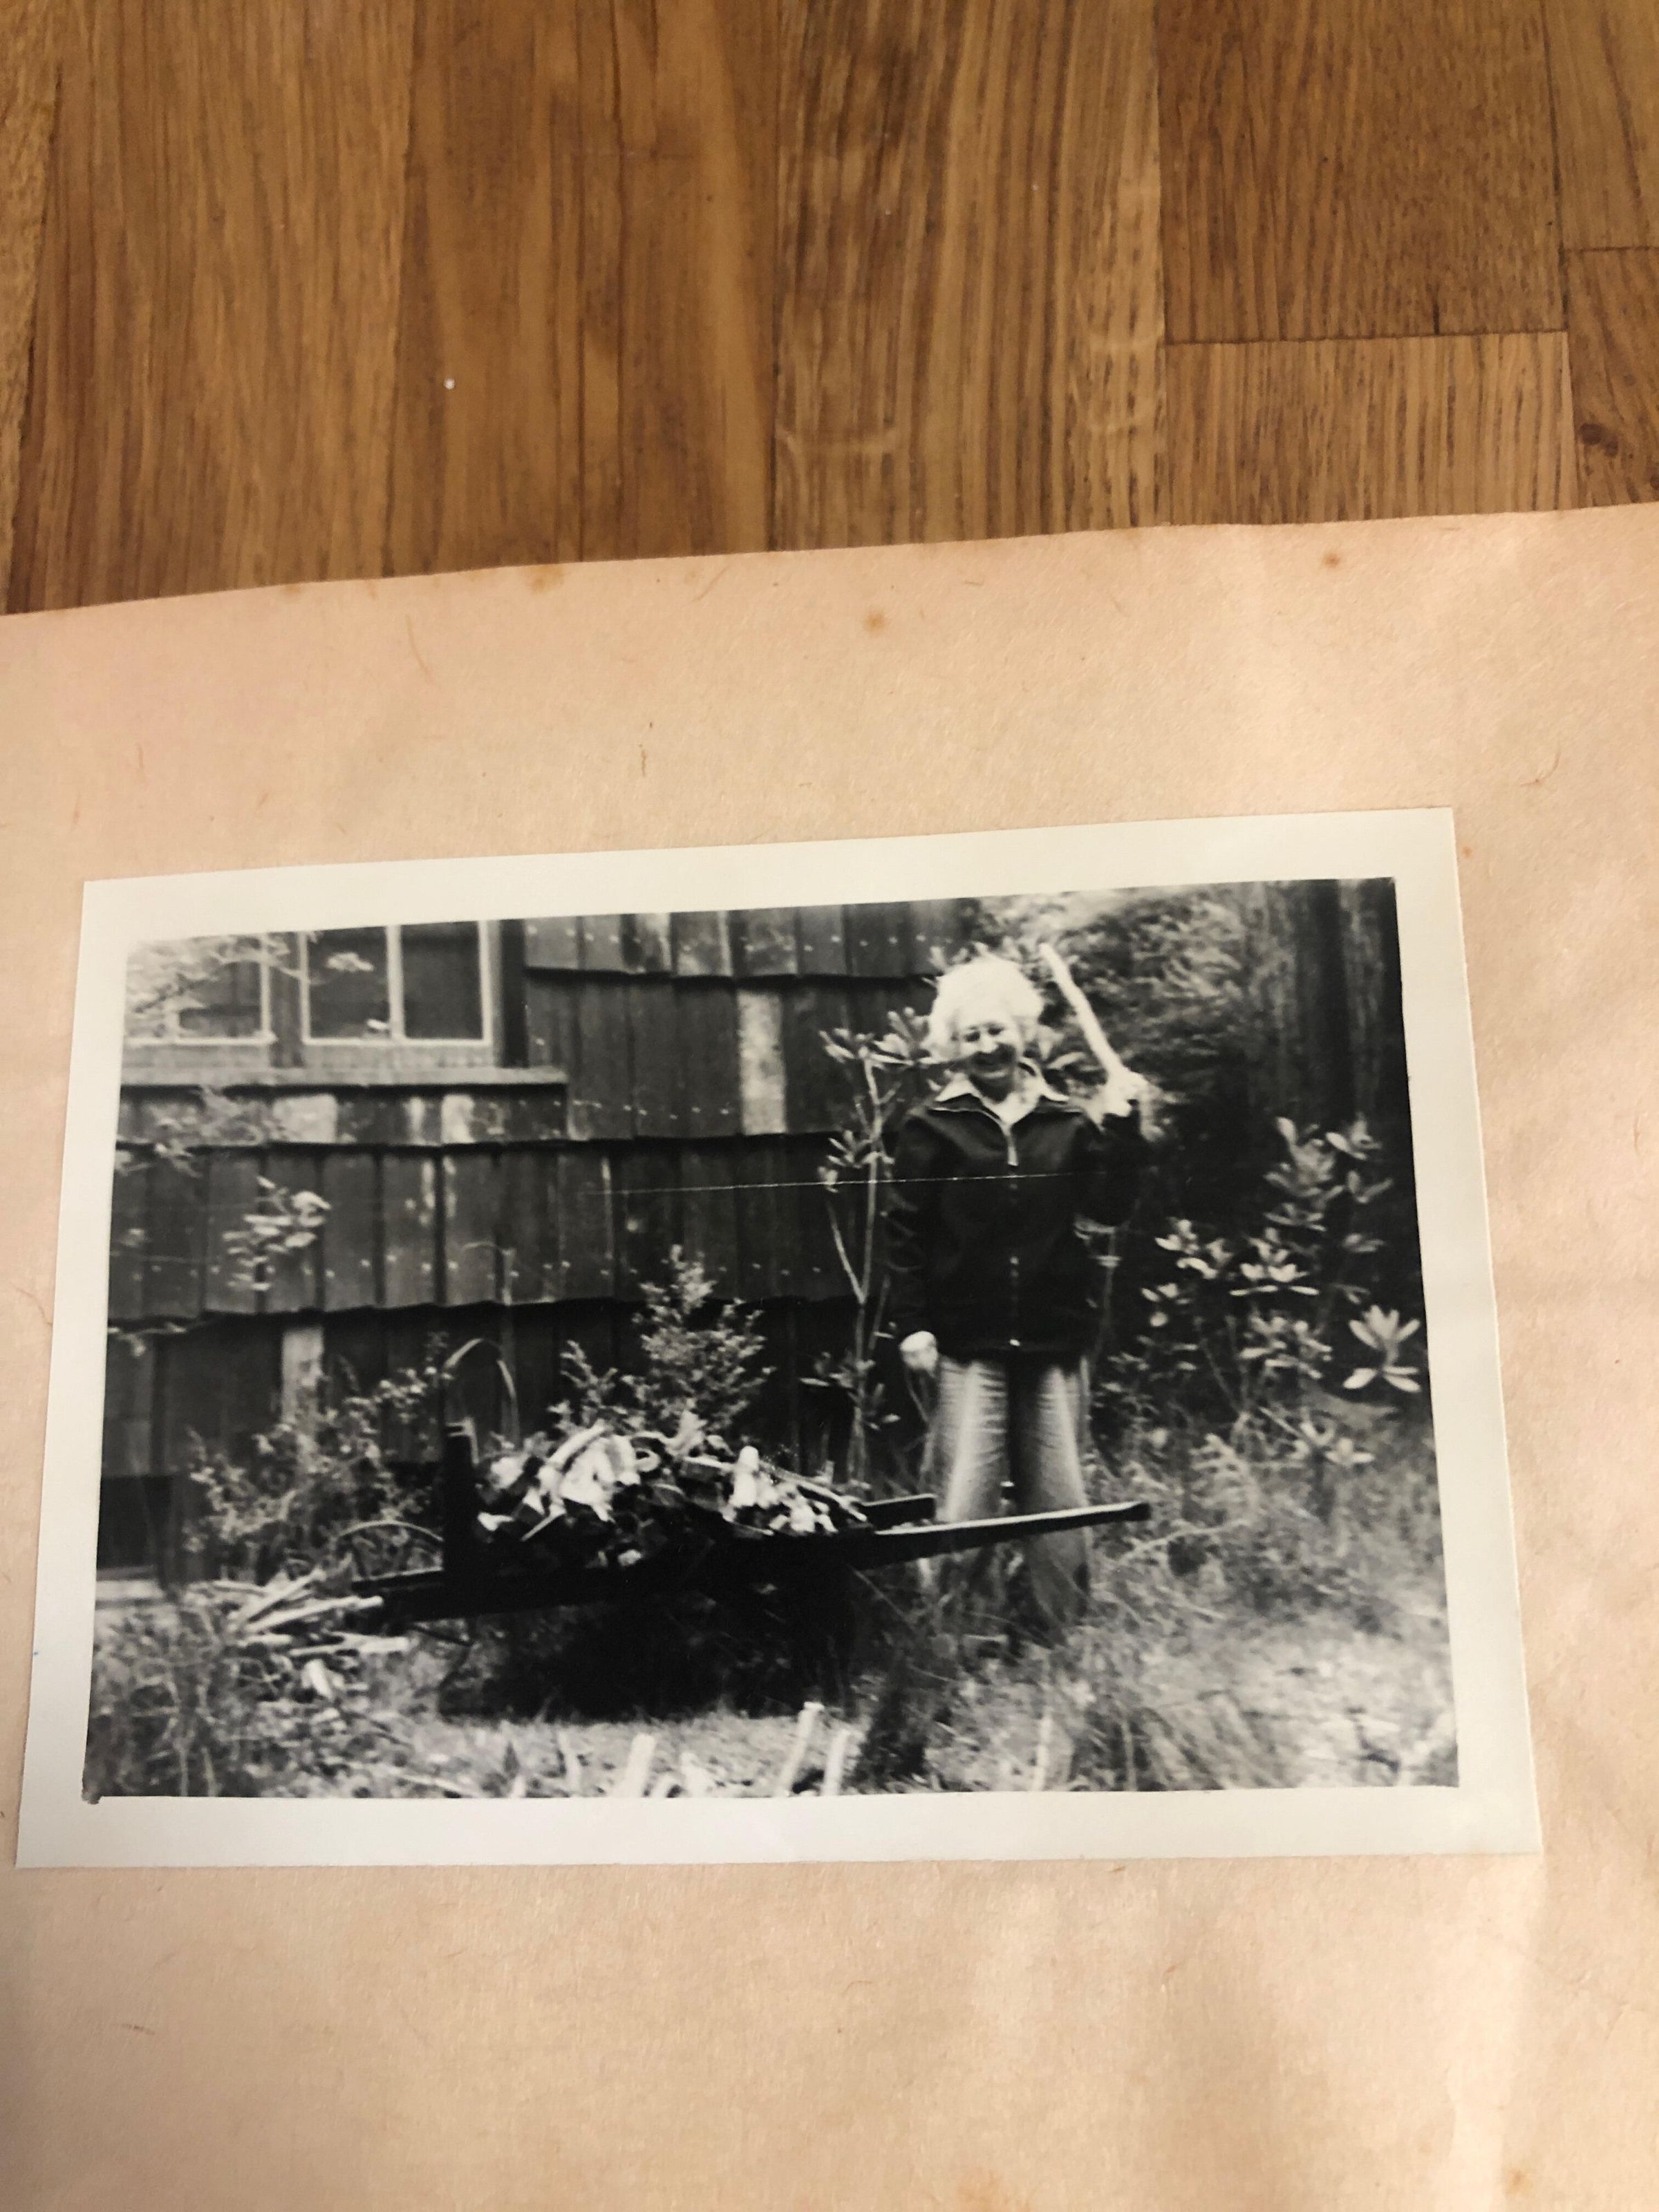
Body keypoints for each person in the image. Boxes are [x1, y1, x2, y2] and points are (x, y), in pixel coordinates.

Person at [884, 955, 1148, 1632]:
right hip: (966, 1340)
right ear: (953, 1044)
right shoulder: (930, 1126)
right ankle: (958, 1638)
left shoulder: (1067, 1122)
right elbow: (906, 1231)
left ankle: (1064, 1635)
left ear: (1023, 1031)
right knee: (966, 1495)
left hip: (1053, 1333)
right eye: (971, 1035)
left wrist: (1124, 1129)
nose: (988, 1046)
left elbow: (1110, 1207)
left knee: (1059, 1496)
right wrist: (912, 1324)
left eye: (997, 1030)